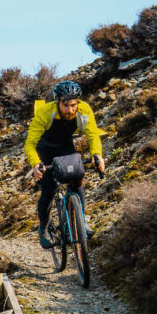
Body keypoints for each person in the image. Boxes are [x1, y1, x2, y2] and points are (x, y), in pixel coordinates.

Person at [24, 80, 106, 248]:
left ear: (78, 103)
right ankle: (43, 228)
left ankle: (79, 222)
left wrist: (97, 155)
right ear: (58, 102)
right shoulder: (45, 112)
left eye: (73, 105)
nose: (70, 110)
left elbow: (92, 135)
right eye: (65, 105)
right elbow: (30, 144)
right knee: (48, 189)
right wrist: (36, 164)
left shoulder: (84, 109)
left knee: (76, 180)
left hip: (65, 145)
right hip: (44, 148)